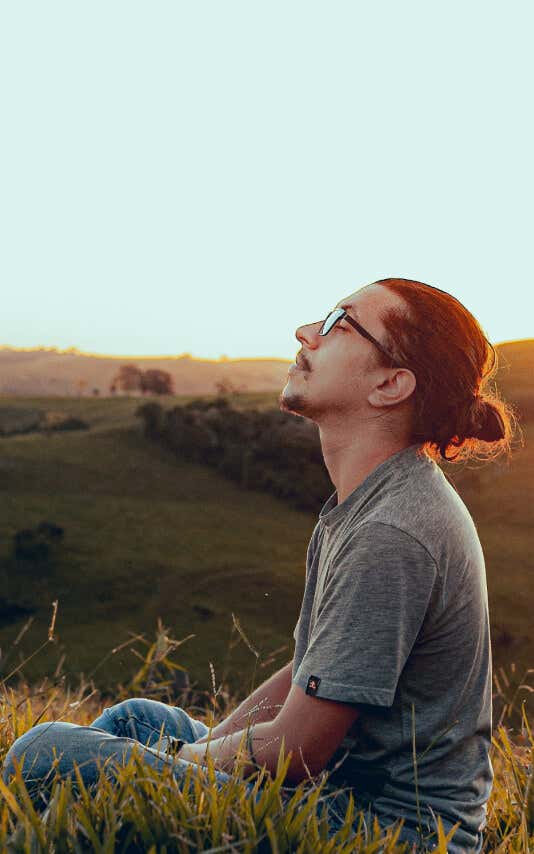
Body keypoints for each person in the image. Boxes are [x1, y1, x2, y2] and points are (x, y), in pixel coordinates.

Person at [2, 278, 513, 852]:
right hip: (339, 797)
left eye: (338, 323)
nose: (305, 333)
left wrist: (190, 763)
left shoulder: (390, 532)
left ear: (390, 385)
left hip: (387, 832)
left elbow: (295, 752)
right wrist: (200, 754)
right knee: (133, 721)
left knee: (43, 750)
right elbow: (308, 672)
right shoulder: (376, 499)